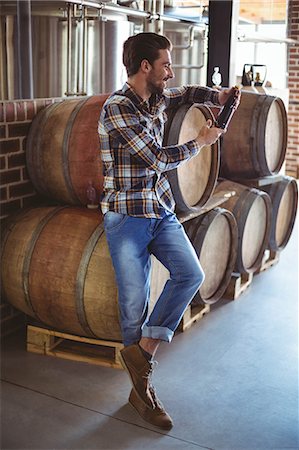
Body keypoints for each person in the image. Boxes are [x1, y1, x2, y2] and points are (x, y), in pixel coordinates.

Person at [98, 32, 239, 430]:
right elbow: (158, 158)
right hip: (126, 216)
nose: (170, 72)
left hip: (159, 209)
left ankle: (141, 356)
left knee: (191, 274)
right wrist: (202, 140)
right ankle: (142, 389)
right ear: (146, 67)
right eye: (165, 65)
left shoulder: (156, 96)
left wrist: (217, 95)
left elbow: (183, 93)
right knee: (133, 304)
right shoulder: (117, 109)